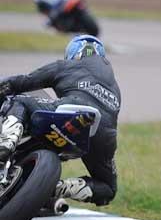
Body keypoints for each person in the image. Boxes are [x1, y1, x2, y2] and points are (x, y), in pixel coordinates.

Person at [0, 35, 121, 206]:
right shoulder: (115, 87)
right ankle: (56, 188)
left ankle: (5, 144)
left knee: (19, 101)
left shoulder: (68, 65)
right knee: (108, 188)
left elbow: (22, 82)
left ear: (73, 53)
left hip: (70, 110)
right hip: (103, 135)